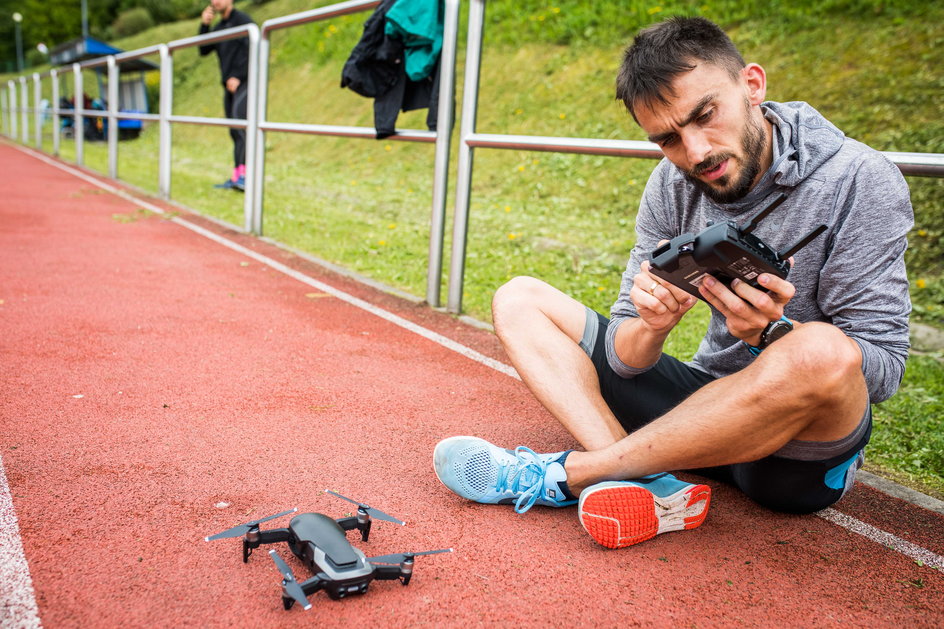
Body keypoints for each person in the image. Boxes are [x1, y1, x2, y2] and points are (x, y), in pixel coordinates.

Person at [433, 16, 913, 549]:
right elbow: (625, 360)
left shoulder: (859, 179)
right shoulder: (671, 183)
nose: (696, 152)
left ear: (752, 85)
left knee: (820, 348)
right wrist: (651, 328)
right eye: (667, 139)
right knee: (519, 297)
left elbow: (883, 369)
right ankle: (651, 486)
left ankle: (573, 474)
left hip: (794, 455)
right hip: (704, 409)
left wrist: (771, 335)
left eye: (705, 116)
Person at [198, 0, 254, 191]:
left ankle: (246, 176)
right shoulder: (219, 27)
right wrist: (204, 25)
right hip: (228, 86)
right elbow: (203, 50)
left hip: (245, 82)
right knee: (233, 131)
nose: (216, 1)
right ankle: (237, 175)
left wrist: (238, 75)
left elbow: (253, 48)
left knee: (241, 128)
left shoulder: (242, 20)